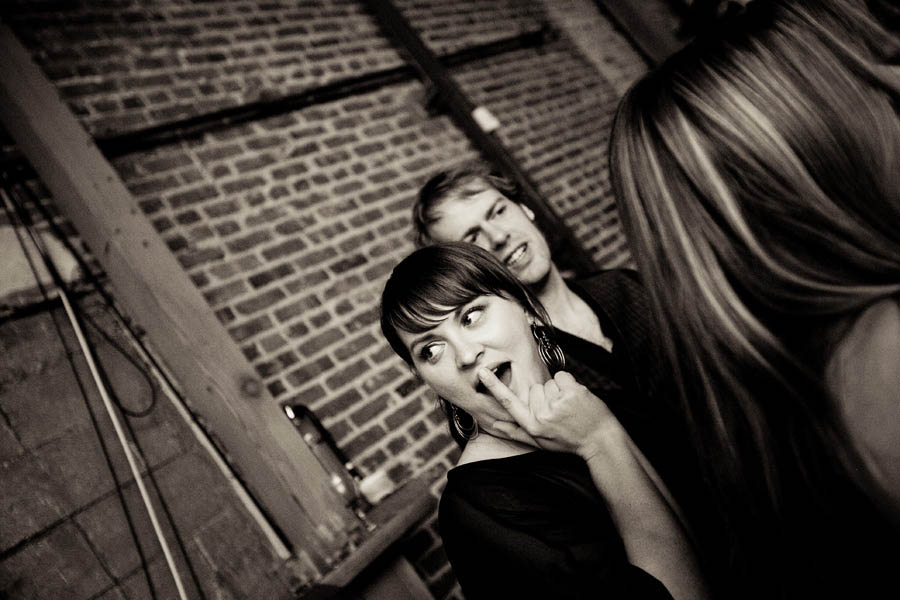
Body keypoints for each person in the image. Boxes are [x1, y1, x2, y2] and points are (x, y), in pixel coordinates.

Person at [508, 1, 900, 598]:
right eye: (875, 76)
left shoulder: (635, 296)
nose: (894, 82)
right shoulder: (879, 357)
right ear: (814, 144)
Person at [380, 242, 708, 600]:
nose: (466, 354)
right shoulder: (478, 510)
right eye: (431, 350)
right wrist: (599, 441)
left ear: (526, 309)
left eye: (471, 316)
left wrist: (602, 427)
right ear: (424, 379)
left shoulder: (611, 404)